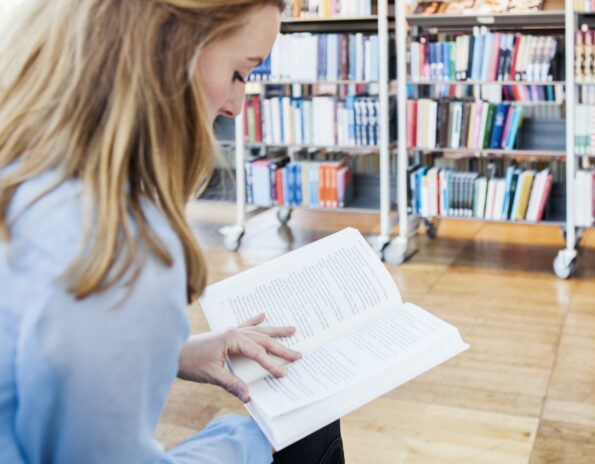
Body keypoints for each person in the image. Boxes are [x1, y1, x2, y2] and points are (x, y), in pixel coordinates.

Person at [0, 0, 344, 463]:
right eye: (240, 73)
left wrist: (175, 353)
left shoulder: (25, 174)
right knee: (309, 429)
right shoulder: (119, 251)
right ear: (169, 48)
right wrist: (244, 443)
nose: (236, 106)